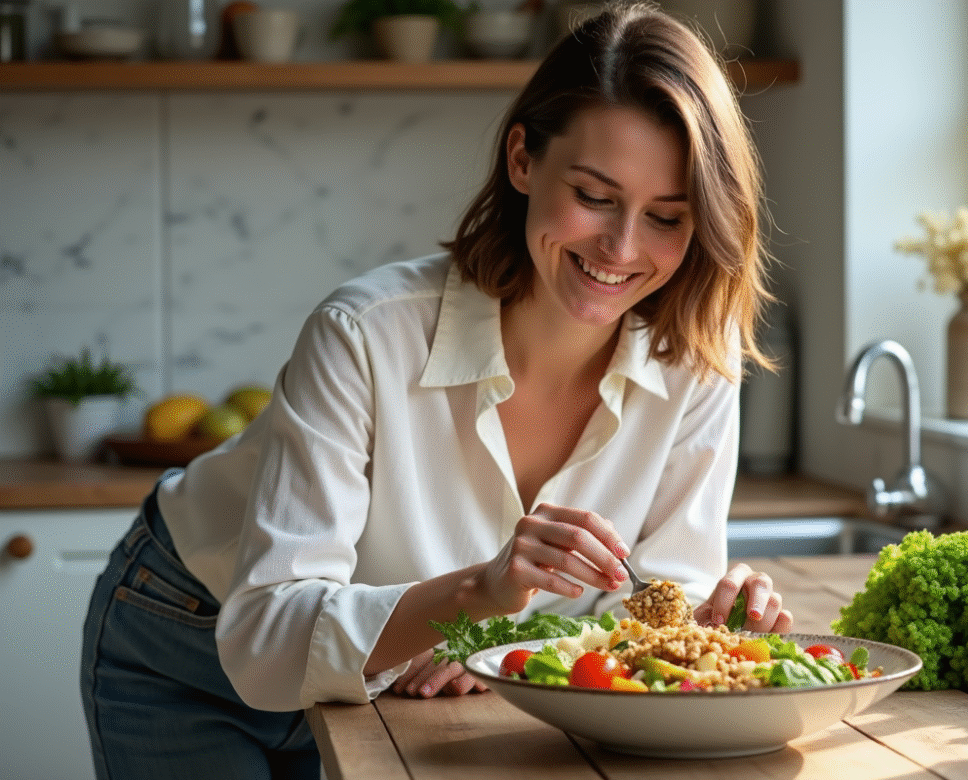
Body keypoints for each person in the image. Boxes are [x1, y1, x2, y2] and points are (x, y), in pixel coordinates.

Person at [80, 3, 793, 778]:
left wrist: (690, 617)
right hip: (190, 635)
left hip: (402, 688)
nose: (622, 249)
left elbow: (656, 592)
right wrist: (473, 603)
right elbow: (266, 637)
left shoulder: (696, 357)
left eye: (666, 216)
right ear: (523, 159)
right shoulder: (364, 333)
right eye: (593, 196)